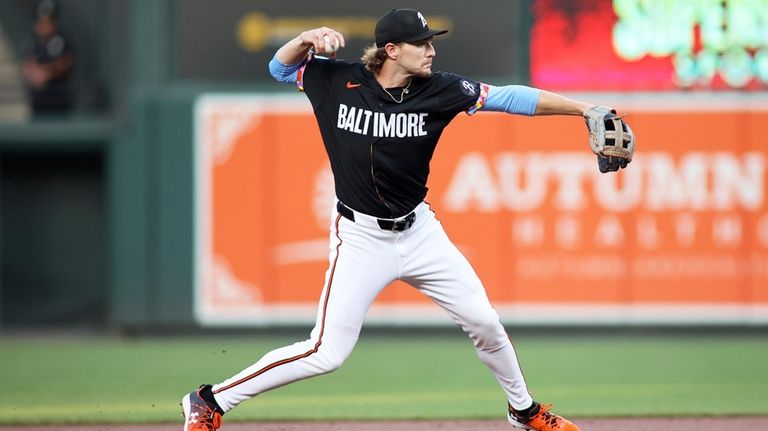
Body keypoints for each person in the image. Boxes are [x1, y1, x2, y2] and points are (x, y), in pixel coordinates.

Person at [182, 8, 626, 431]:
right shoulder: (334, 79)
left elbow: (510, 97)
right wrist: (303, 39)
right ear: (391, 49)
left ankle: (523, 410)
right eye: (421, 43)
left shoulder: (442, 90)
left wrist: (583, 109)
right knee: (326, 352)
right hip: (360, 238)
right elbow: (279, 70)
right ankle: (210, 400)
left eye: (431, 42)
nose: (431, 51)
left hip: (420, 233)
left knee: (485, 322)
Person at [21, 0, 74, 116]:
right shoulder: (33, 43)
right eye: (41, 21)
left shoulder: (60, 41)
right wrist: (35, 73)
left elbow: (65, 63)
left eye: (48, 21)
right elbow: (29, 66)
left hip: (59, 100)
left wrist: (46, 72)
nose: (44, 25)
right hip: (38, 101)